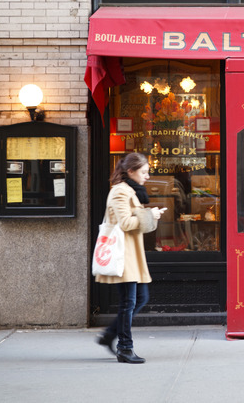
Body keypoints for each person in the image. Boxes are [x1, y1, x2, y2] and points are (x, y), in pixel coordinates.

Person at [95, 152, 163, 364]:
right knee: (129, 301)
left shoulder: (131, 190)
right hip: (123, 254)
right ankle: (125, 348)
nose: (147, 176)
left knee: (140, 298)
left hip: (132, 253)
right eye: (144, 172)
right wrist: (150, 215)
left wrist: (151, 216)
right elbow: (125, 223)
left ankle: (109, 335)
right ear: (131, 171)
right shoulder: (119, 192)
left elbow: (135, 221)